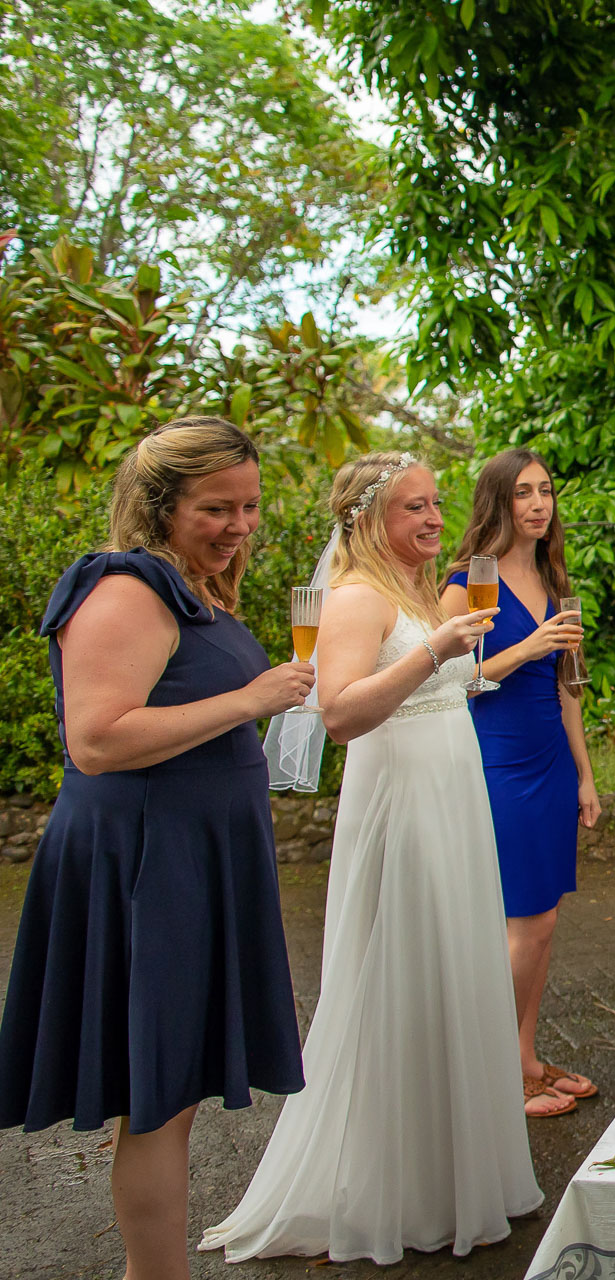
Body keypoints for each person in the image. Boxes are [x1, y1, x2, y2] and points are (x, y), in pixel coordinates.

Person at [201, 452, 540, 1264]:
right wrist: (436, 654)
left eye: (434, 505)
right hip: (403, 806)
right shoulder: (356, 596)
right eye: (412, 509)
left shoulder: (416, 588)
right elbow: (339, 713)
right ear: (366, 519)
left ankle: (456, 1176)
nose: (432, 519)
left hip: (451, 792)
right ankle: (400, 1191)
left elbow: (443, 690)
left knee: (454, 971)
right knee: (406, 972)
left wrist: (458, 659)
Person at [0, 418, 312, 1280]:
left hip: (194, 857)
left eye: (249, 507)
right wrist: (252, 698)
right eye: (216, 508)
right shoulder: (124, 590)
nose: (240, 526)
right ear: (156, 505)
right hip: (150, 865)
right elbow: (97, 740)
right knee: (159, 1095)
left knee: (170, 1099)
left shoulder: (190, 590)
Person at [443, 448, 601, 1119]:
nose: (539, 504)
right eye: (524, 493)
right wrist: (526, 648)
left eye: (546, 491)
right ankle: (489, 1072)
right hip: (495, 760)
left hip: (551, 764)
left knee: (543, 923)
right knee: (521, 923)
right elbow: (451, 683)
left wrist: (587, 776)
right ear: (498, 501)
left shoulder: (553, 575)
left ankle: (525, 1059)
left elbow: (570, 688)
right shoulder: (467, 583)